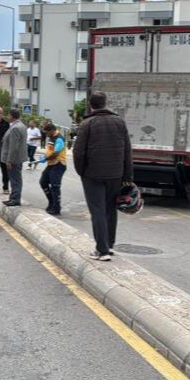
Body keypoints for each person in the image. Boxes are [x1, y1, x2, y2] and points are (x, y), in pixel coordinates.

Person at [73, 91, 133, 262]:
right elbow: (127, 151)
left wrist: (81, 171)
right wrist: (128, 175)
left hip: (92, 174)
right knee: (110, 209)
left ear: (90, 105)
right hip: (115, 174)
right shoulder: (119, 122)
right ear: (105, 103)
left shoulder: (87, 124)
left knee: (97, 210)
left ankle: (102, 250)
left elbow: (78, 152)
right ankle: (110, 245)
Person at [38, 122, 67, 215]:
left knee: (55, 186)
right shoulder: (51, 137)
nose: (46, 135)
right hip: (51, 164)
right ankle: (51, 202)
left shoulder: (59, 138)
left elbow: (56, 153)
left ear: (51, 130)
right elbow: (50, 150)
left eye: (46, 133)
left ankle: (56, 208)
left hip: (59, 164)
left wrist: (46, 158)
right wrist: (44, 156)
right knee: (43, 182)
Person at [0, 109, 27, 207]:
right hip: (17, 158)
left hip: (14, 159)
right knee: (15, 178)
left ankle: (15, 199)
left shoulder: (15, 128)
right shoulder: (21, 125)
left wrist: (9, 160)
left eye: (8, 115)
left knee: (15, 179)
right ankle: (13, 197)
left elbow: (13, 146)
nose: (7, 117)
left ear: (12, 116)